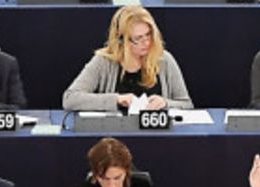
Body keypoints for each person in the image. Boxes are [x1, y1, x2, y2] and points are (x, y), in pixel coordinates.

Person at [62, 6, 193, 113]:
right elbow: (70, 99)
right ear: (121, 40)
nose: (146, 42)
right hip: (114, 134)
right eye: (138, 38)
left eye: (148, 35)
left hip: (156, 133)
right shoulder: (103, 62)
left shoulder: (164, 59)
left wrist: (165, 103)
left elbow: (187, 104)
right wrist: (116, 99)